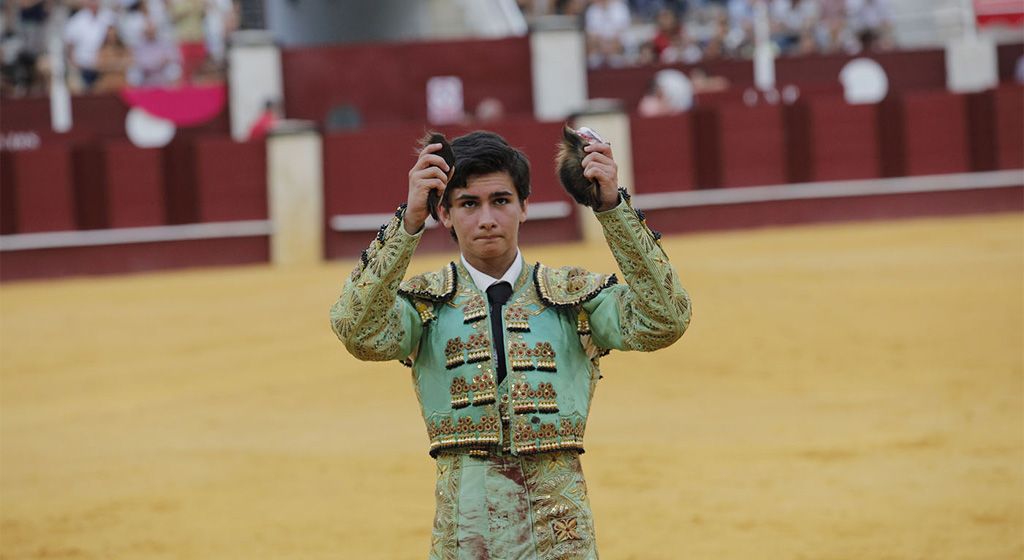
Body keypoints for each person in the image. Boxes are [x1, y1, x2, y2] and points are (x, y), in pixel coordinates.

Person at [329, 130, 692, 558]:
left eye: (500, 200)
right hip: (466, 538)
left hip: (561, 537)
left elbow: (665, 318)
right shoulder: (424, 304)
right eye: (468, 203)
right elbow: (357, 330)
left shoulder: (572, 295)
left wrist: (612, 208)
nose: (486, 218)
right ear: (443, 214)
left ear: (523, 207)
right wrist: (407, 222)